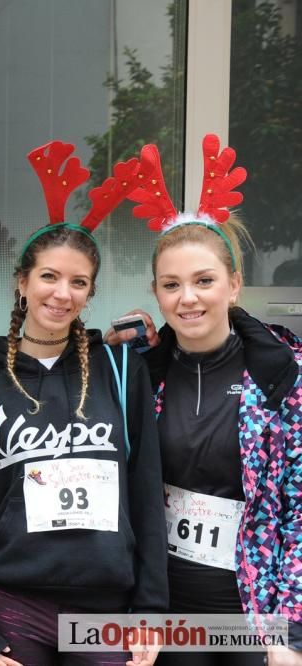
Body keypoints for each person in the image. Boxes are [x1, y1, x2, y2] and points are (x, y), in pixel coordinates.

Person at [0, 140, 168, 666]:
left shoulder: (121, 371)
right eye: (48, 276)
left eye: (78, 282)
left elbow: (145, 490)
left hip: (106, 608)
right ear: (22, 283)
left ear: (90, 294)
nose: (61, 293)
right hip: (15, 603)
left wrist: (152, 610)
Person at [108, 136, 302, 666]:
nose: (187, 297)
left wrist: (292, 632)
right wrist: (107, 353)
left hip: (252, 616)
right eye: (171, 285)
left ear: (234, 285)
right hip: (165, 611)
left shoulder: (283, 377)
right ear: (156, 291)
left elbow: (297, 510)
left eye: (204, 281)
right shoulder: (140, 374)